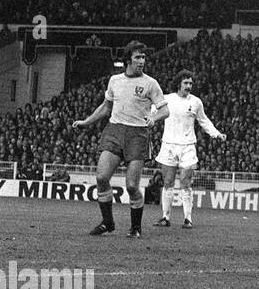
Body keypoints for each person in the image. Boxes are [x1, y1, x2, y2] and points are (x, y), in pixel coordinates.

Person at [71, 41, 168, 238]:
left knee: (132, 186)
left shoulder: (150, 83)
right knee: (101, 178)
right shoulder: (115, 80)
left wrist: (153, 118)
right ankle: (108, 223)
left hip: (137, 134)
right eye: (137, 57)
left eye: (143, 57)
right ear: (128, 60)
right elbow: (106, 107)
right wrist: (86, 122)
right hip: (114, 130)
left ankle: (135, 228)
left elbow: (165, 110)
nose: (142, 61)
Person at [152, 70, 226, 229]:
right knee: (168, 182)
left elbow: (204, 121)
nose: (189, 86)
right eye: (186, 83)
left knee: (186, 181)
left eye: (191, 83)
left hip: (187, 146)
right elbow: (151, 113)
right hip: (169, 145)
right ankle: (165, 217)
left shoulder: (196, 102)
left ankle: (188, 219)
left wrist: (217, 134)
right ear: (179, 83)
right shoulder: (167, 99)